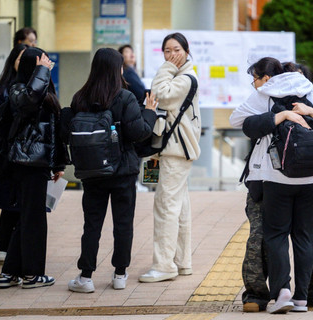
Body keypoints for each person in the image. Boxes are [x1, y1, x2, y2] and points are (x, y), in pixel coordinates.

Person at [230, 57, 313, 314]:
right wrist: (312, 113)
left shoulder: (265, 93)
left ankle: (283, 293)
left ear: (269, 77)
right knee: (306, 236)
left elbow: (239, 121)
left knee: (276, 235)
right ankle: (302, 299)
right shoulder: (310, 90)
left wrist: (278, 116)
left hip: (276, 177)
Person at [62, 48, 157, 293]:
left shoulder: (80, 97)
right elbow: (139, 132)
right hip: (123, 171)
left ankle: (85, 277)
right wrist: (149, 112)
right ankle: (120, 275)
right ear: (119, 69)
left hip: (92, 172)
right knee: (123, 224)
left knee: (91, 224)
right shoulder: (124, 97)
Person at [0, 47, 67, 289]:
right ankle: (32, 275)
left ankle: (9, 273)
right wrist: (41, 72)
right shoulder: (17, 90)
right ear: (32, 66)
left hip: (38, 164)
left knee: (29, 217)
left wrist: (58, 162)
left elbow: (54, 130)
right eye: (41, 61)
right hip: (25, 163)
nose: (47, 65)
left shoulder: (43, 90)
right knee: (34, 219)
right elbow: (28, 101)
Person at [139, 32, 201, 283]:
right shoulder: (181, 76)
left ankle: (164, 265)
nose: (171, 55)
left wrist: (165, 68)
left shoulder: (185, 78)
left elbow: (160, 95)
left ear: (186, 51)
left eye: (176, 50)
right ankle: (181, 262)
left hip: (175, 151)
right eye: (166, 51)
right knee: (179, 207)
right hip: (175, 150)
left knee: (165, 207)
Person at [0, 43, 27, 264]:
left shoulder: (29, 87)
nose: (23, 63)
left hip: (18, 154)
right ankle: (4, 245)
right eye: (20, 59)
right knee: (13, 200)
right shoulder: (4, 91)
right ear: (12, 61)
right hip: (7, 155)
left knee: (16, 201)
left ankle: (4, 245)